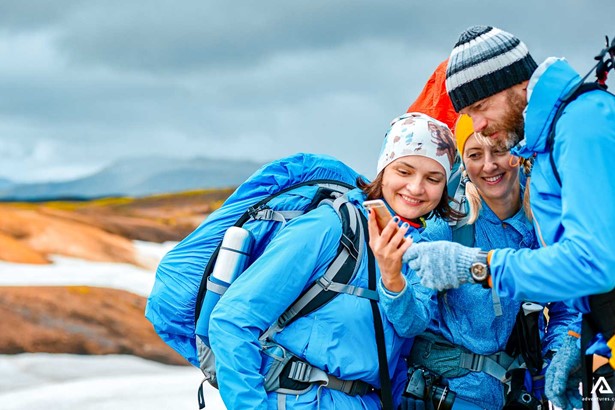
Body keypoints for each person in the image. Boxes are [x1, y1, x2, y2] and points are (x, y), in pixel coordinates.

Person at [404, 25, 615, 409]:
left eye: (480, 108)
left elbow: (594, 263)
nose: (479, 125)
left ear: (514, 84)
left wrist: (480, 267)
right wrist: (572, 342)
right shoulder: (552, 139)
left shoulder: (580, 125)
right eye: (468, 116)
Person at [208, 112, 458, 410]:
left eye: (433, 178)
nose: (416, 188)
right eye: (404, 171)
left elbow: (411, 324)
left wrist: (393, 279)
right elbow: (232, 321)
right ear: (383, 170)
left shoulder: (418, 247)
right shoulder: (330, 226)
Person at [379, 113, 578, 409]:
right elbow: (412, 320)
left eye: (499, 150)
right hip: (446, 396)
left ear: (519, 154)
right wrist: (394, 282)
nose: (488, 164)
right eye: (475, 154)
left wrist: (560, 353)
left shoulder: (545, 221)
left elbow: (570, 304)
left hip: (515, 395)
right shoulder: (447, 226)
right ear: (464, 163)